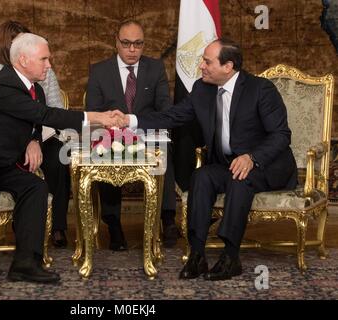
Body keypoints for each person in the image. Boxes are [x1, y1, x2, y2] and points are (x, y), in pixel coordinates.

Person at [0, 33, 121, 284]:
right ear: (23, 60)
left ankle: (25, 262)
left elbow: (34, 120)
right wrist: (98, 117)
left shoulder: (35, 90)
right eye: (44, 59)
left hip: (0, 163)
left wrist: (33, 140)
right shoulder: (4, 85)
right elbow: (43, 114)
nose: (49, 65)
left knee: (35, 186)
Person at [120, 38, 298, 280]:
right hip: (227, 164)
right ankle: (197, 254)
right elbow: (172, 116)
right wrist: (129, 121)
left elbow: (281, 135)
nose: (201, 66)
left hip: (266, 165)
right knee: (201, 176)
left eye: (207, 61)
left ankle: (231, 256)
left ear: (228, 66)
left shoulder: (260, 89)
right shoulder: (202, 89)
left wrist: (252, 157)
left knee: (239, 178)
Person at [85, 20, 179, 250]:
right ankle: (114, 224)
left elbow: (166, 112)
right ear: (116, 42)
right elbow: (93, 113)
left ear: (144, 44)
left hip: (146, 134)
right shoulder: (99, 71)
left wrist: (137, 127)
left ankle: (167, 219)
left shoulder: (155, 68)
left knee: (164, 151)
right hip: (111, 136)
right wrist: (112, 127)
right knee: (104, 154)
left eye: (138, 44)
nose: (132, 50)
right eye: (126, 44)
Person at [0, 21, 69, 248]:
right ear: (5, 45)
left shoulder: (43, 70)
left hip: (42, 136)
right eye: (17, 41)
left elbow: (56, 112)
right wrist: (25, 141)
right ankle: (23, 228)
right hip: (6, 141)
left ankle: (57, 226)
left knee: (59, 157)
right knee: (17, 167)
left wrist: (36, 139)